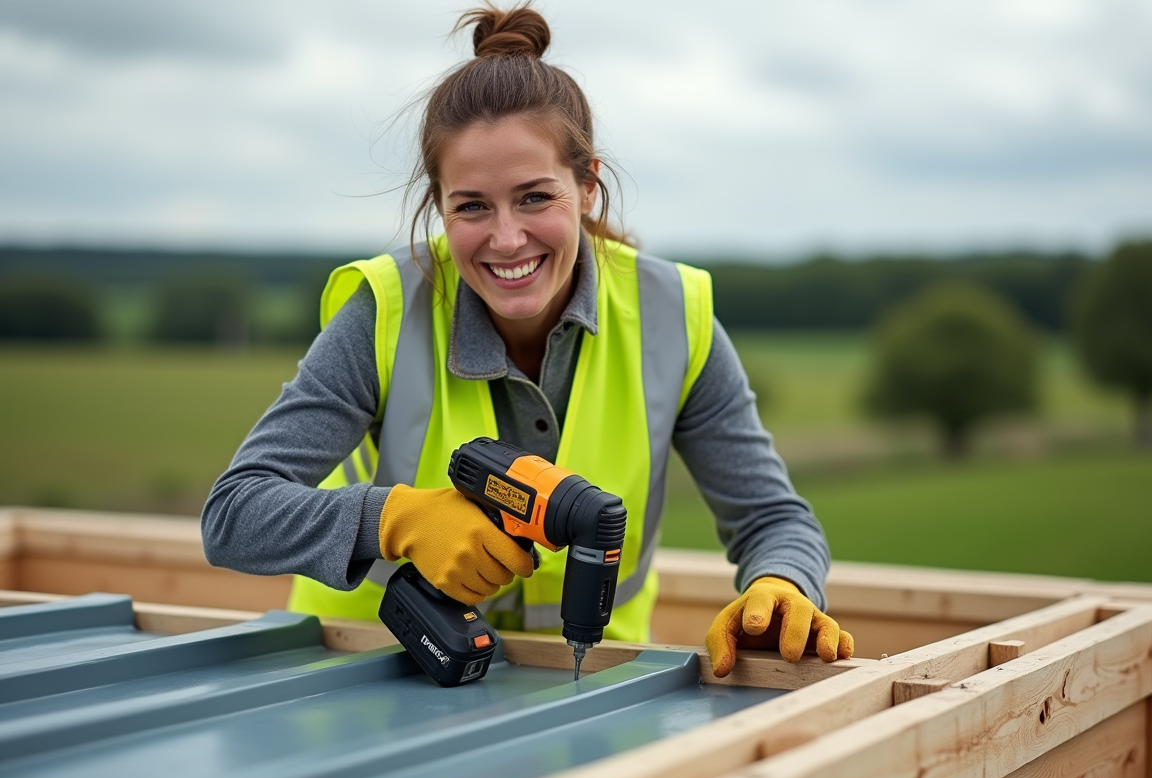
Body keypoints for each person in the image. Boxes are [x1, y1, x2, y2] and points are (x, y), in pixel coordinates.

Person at [202, 3, 853, 677]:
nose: (506, 239)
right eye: (473, 206)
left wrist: (783, 583)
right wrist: (396, 521)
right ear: (440, 203)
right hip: (367, 683)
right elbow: (234, 513)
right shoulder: (386, 313)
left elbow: (773, 517)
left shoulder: (672, 317)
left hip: (589, 695)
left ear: (587, 186)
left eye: (536, 198)